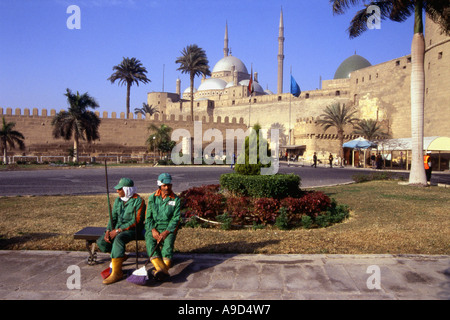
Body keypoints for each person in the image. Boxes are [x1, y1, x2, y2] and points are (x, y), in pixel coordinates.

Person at [97, 178, 146, 285]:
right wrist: (108, 230)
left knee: (118, 239)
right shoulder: (118, 201)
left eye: (119, 189)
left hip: (132, 230)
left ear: (127, 189)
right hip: (117, 229)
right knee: (101, 241)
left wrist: (118, 230)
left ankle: (117, 272)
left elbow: (136, 220)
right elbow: (113, 218)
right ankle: (120, 256)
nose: (117, 191)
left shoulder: (139, 201)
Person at [145, 173, 181, 281]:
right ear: (160, 186)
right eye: (164, 185)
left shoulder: (176, 199)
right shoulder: (152, 198)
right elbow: (148, 217)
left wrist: (166, 232)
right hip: (154, 227)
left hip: (168, 229)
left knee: (168, 246)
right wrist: (153, 231)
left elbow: (176, 218)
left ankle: (159, 271)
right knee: (150, 241)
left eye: (169, 185)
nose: (167, 187)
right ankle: (161, 270)